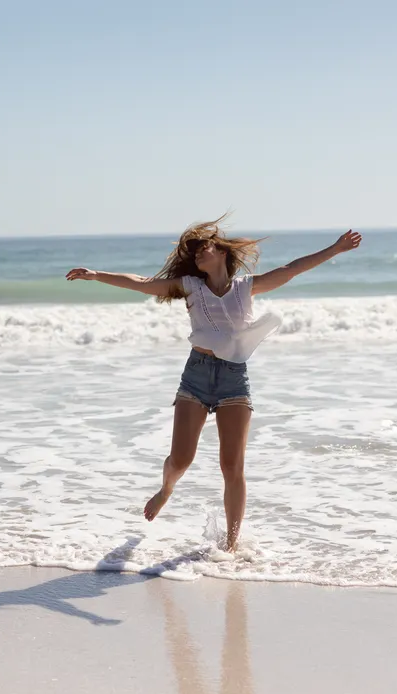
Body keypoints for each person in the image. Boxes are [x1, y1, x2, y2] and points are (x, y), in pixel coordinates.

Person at [66, 217, 362, 550]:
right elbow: (142, 282)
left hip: (234, 378)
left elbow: (292, 268)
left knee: (232, 466)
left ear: (220, 251)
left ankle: (231, 545)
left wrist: (336, 248)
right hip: (197, 374)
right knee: (181, 459)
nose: (197, 257)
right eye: (193, 255)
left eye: (202, 250)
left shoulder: (246, 287)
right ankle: (166, 489)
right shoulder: (189, 286)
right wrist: (96, 275)